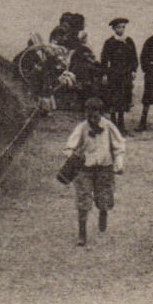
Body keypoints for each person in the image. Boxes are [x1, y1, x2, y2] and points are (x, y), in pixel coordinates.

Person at [65, 97, 125, 246]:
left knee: (104, 195)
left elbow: (119, 146)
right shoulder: (82, 128)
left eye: (96, 116)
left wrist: (119, 163)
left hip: (104, 167)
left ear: (101, 114)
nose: (92, 120)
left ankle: (103, 212)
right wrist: (73, 156)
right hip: (84, 169)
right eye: (89, 116)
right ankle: (82, 232)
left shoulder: (109, 126)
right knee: (83, 198)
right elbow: (69, 147)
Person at [99, 18, 138, 131]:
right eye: (118, 27)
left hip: (125, 73)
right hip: (114, 73)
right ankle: (113, 122)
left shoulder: (129, 41)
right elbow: (104, 59)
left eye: (122, 27)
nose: (120, 29)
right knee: (114, 98)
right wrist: (105, 74)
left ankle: (121, 124)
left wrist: (133, 70)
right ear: (114, 29)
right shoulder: (109, 42)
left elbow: (133, 57)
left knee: (124, 97)